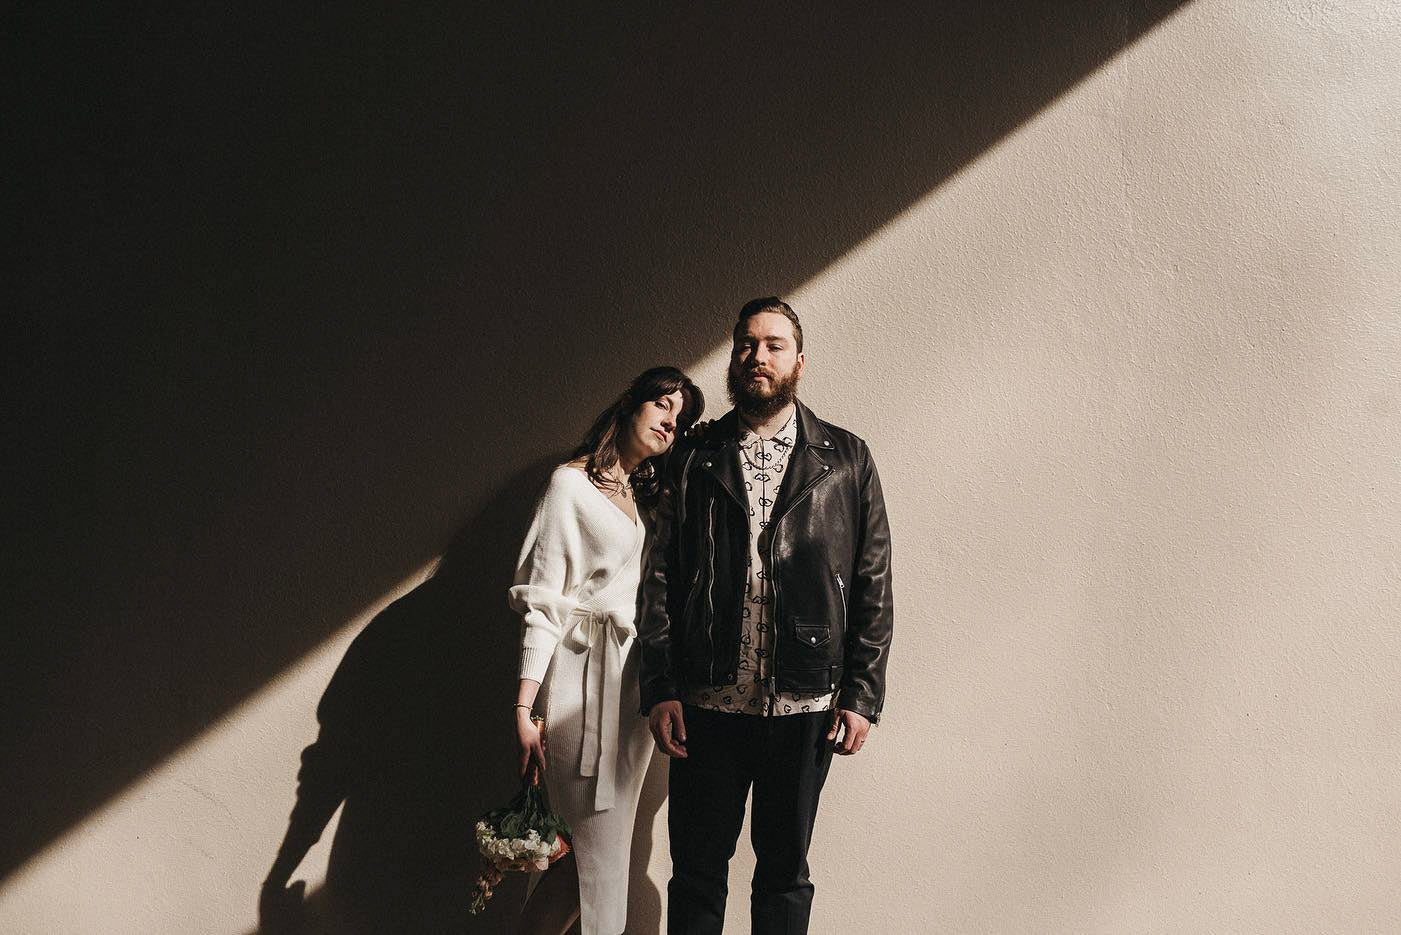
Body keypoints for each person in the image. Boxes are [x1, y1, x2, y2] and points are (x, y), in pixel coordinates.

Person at [637, 298, 894, 934]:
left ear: (799, 362)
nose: (759, 357)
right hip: (707, 703)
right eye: (748, 344)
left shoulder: (847, 459)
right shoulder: (696, 456)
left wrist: (862, 694)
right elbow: (659, 576)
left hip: (805, 707)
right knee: (696, 873)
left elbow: (873, 584)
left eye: (774, 345)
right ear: (734, 357)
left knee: (784, 875)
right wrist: (661, 687)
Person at [510, 365, 704, 935]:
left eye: (681, 417)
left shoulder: (645, 498)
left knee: (606, 852)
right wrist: (524, 708)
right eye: (662, 405)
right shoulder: (568, 486)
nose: (671, 422)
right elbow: (543, 602)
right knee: (589, 851)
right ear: (629, 405)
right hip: (579, 681)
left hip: (631, 689)